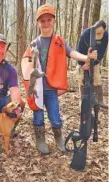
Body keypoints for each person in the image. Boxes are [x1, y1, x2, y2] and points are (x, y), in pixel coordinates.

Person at [21, 4, 98, 155]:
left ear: (53, 21)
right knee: (38, 115)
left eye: (49, 19)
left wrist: (86, 57)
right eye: (42, 20)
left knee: (55, 116)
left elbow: (73, 53)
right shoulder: (34, 43)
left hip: (51, 88)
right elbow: (26, 64)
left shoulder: (59, 41)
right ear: (38, 23)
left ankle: (58, 138)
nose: (46, 23)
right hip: (37, 89)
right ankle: (40, 140)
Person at [76, 20, 108, 108]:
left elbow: (101, 52)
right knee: (81, 79)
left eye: (100, 33)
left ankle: (100, 101)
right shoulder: (86, 34)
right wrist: (82, 64)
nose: (97, 35)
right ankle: (82, 100)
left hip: (95, 61)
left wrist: (93, 63)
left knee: (97, 79)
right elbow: (79, 50)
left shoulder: (106, 36)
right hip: (83, 59)